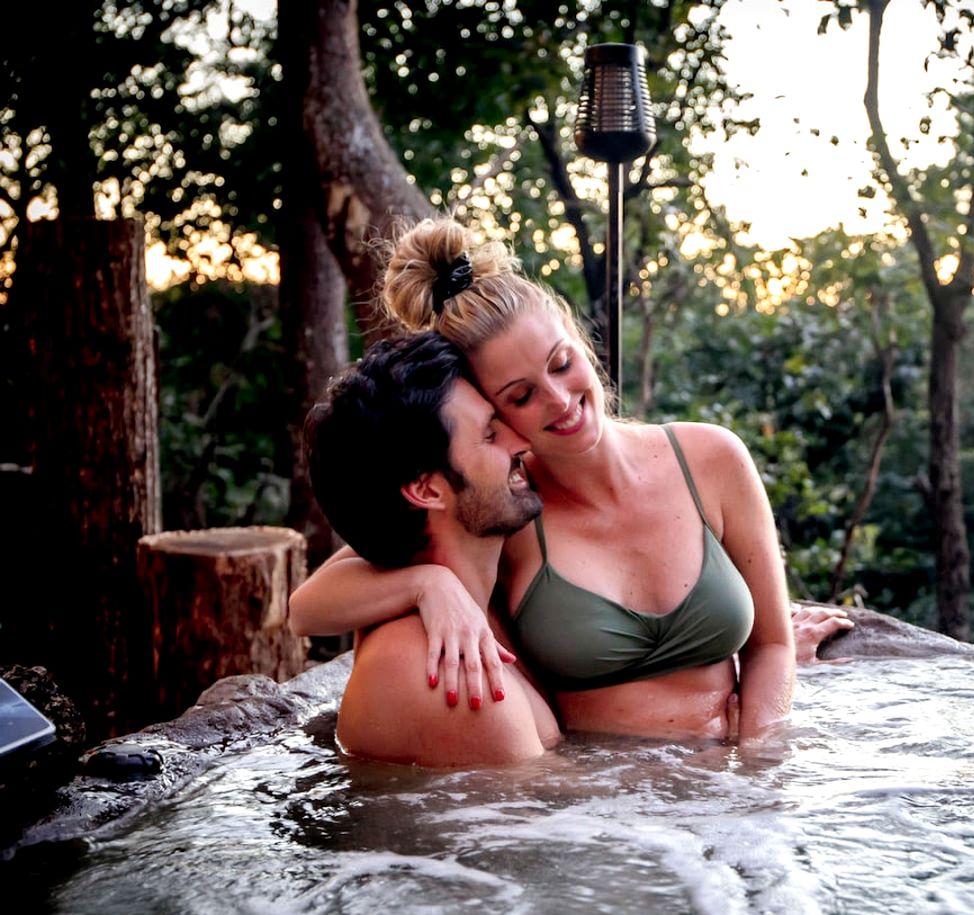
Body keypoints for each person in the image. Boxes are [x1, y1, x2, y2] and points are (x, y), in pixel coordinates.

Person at [291, 217, 850, 742]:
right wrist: (427, 586)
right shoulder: (508, 512)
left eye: (560, 363)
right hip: (602, 804)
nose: (560, 400)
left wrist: (755, 759)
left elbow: (771, 644)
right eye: (521, 395)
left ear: (579, 340)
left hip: (724, 783)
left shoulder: (711, 458)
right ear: (492, 410)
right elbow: (308, 609)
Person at [304, 332, 561, 766]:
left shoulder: (477, 599)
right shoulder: (445, 671)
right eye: (489, 435)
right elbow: (560, 821)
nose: (521, 444)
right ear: (427, 489)